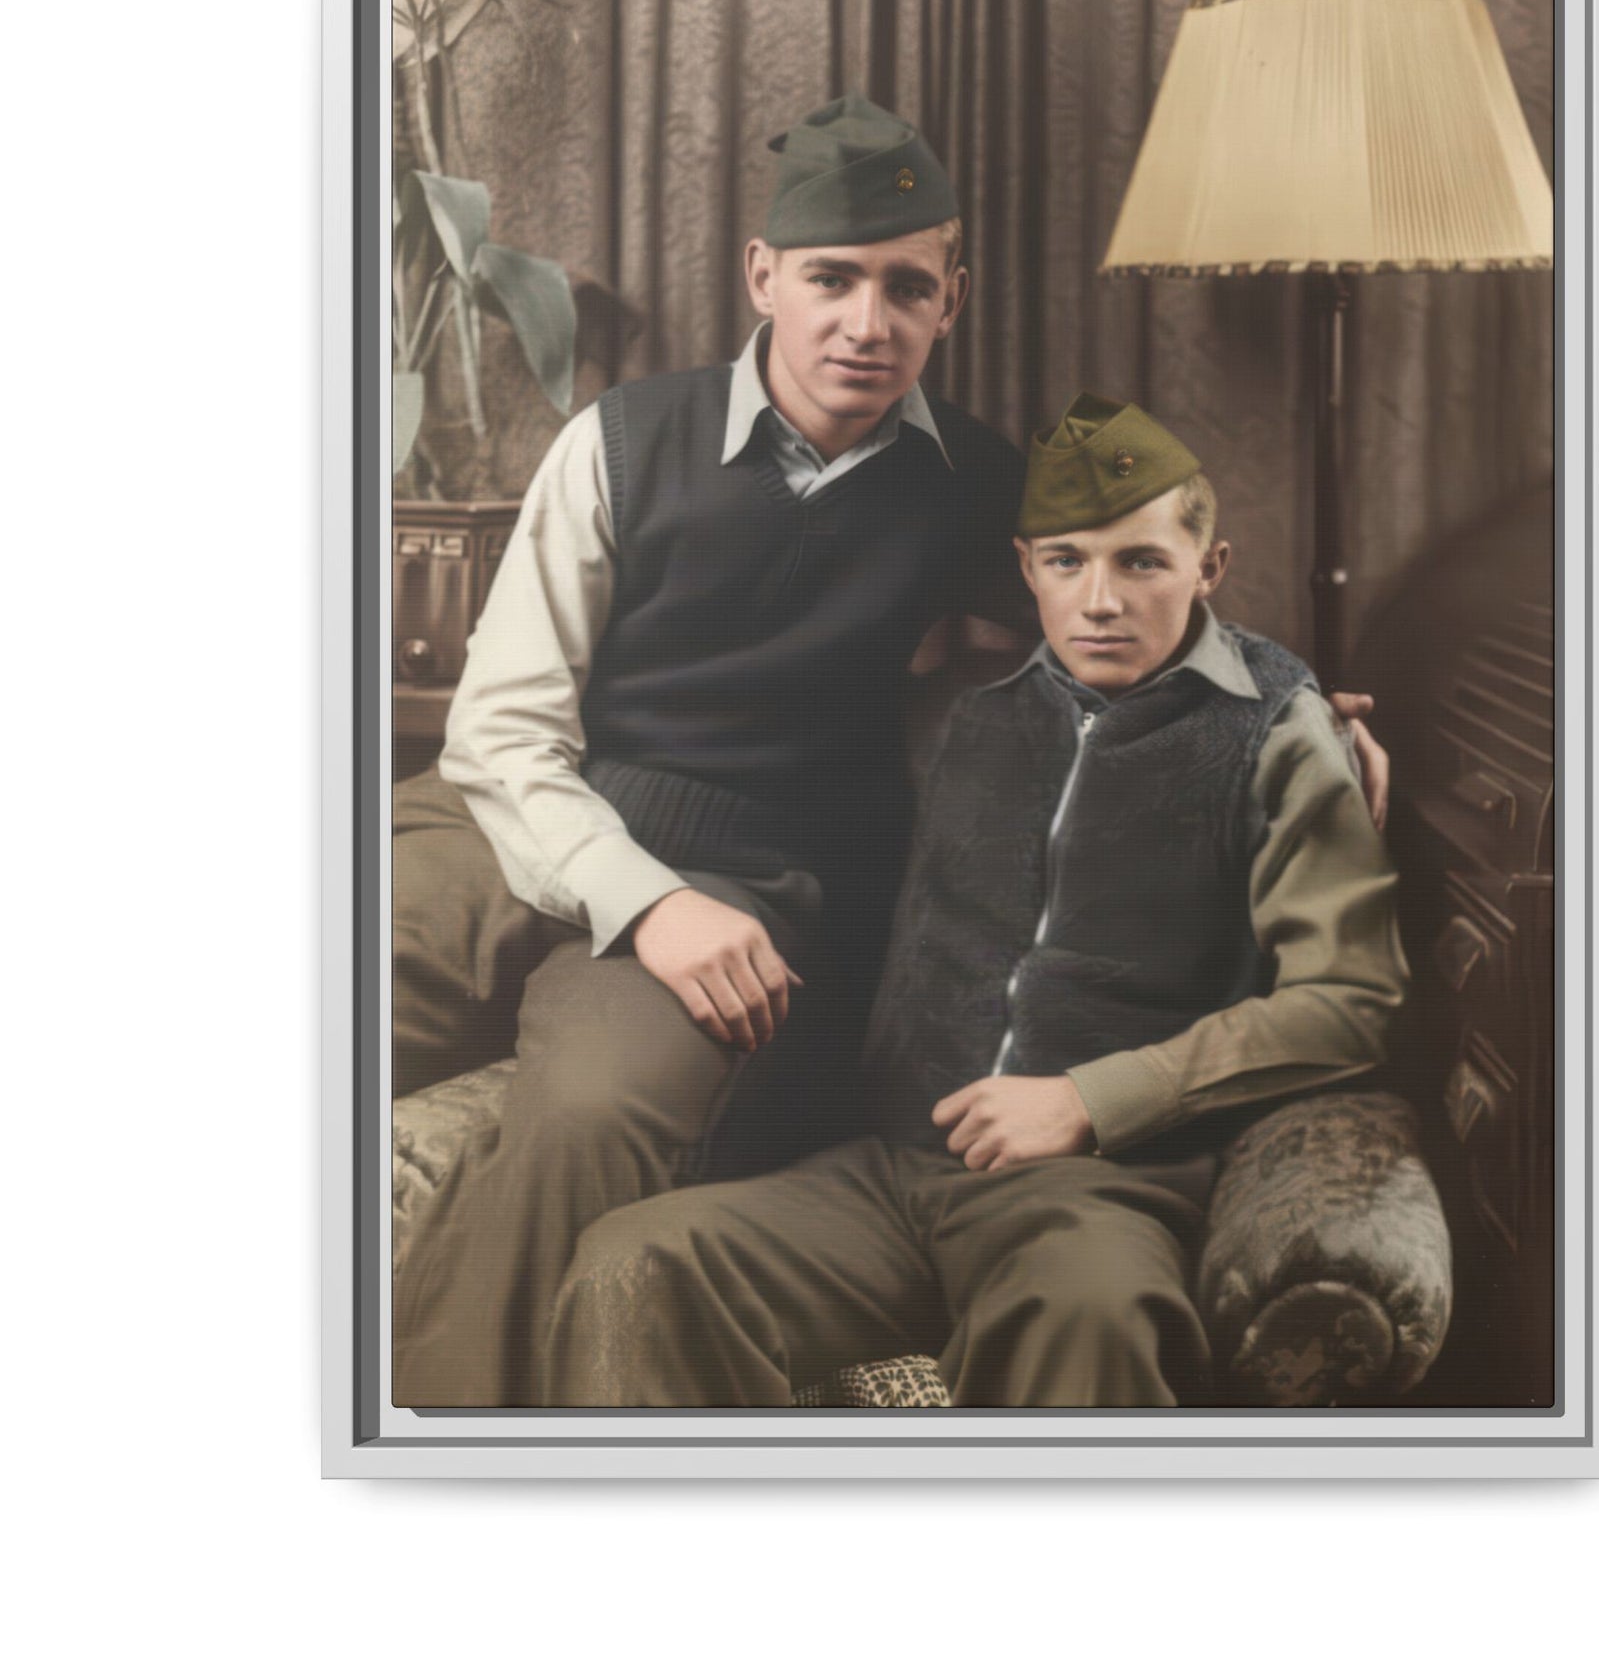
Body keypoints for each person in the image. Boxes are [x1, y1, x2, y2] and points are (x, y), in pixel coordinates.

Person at [391, 96, 1393, 1409]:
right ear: (763, 276)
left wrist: (1297, 709)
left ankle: (457, 1453)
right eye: (831, 279)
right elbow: (502, 728)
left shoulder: (977, 484)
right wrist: (641, 896)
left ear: (950, 300)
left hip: (743, 869)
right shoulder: (623, 441)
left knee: (591, 1109)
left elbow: (1131, 591)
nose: (866, 323)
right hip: (503, 804)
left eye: (905, 286)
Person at [542, 394, 1410, 1409]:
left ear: (1208, 567)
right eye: (1066, 561)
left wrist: (1090, 1100)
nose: (1099, 601)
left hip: (1094, 1189)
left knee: (1091, 1314)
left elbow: (1349, 1001)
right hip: (884, 1172)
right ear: (1024, 568)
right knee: (637, 1264)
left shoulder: (1275, 732)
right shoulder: (957, 712)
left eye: (1141, 562)